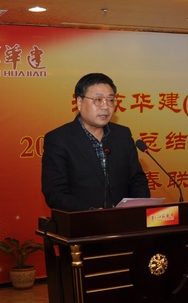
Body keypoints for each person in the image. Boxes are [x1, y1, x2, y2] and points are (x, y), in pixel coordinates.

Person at [41, 72, 150, 211]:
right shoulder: (59, 139)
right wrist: (91, 212)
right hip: (83, 221)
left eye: (110, 100)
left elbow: (137, 180)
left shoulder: (122, 135)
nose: (105, 106)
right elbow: (55, 193)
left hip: (125, 221)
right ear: (79, 102)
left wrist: (138, 208)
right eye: (98, 100)